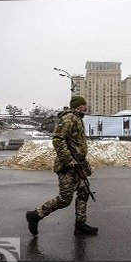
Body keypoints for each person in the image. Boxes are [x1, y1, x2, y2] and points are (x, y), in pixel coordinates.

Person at [26, 95, 98, 236]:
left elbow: (75, 143)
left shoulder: (77, 119)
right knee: (65, 199)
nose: (86, 107)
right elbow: (58, 140)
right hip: (68, 167)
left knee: (83, 192)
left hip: (78, 165)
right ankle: (35, 215)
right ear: (78, 106)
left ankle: (80, 225)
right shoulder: (68, 119)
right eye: (84, 105)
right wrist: (68, 160)